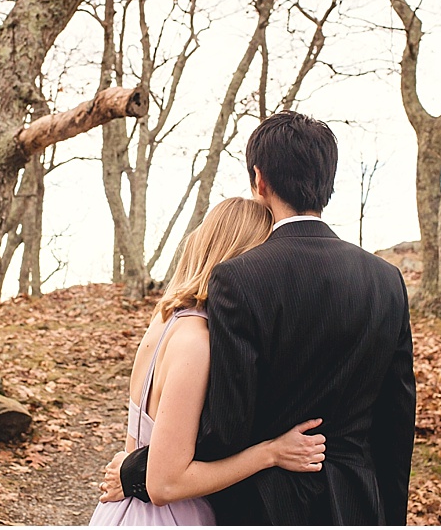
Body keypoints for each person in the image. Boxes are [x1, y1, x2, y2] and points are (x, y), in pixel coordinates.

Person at [103, 110, 416, 525]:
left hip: (265, 506)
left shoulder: (238, 278)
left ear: (259, 180)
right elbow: (397, 424)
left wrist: (136, 471)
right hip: (357, 504)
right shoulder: (386, 280)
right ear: (330, 183)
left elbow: (224, 426)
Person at [89, 197, 327, 526]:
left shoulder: (165, 319)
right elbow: (166, 483)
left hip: (124, 510)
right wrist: (270, 453)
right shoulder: (197, 342)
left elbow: (140, 446)